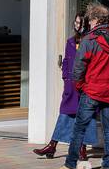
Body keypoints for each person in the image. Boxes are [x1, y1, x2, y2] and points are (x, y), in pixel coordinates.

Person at [52, 3, 109, 169]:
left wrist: (80, 87)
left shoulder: (89, 40)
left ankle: (70, 165)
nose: (88, 24)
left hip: (91, 91)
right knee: (108, 129)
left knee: (79, 129)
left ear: (97, 19)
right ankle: (107, 167)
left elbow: (78, 69)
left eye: (90, 20)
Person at [33, 13, 96, 160]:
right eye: (75, 23)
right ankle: (52, 145)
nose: (76, 25)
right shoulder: (70, 41)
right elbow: (67, 61)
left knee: (87, 116)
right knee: (65, 114)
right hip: (71, 86)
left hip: (86, 86)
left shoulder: (91, 41)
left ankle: (82, 148)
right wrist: (66, 78)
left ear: (85, 25)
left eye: (79, 23)